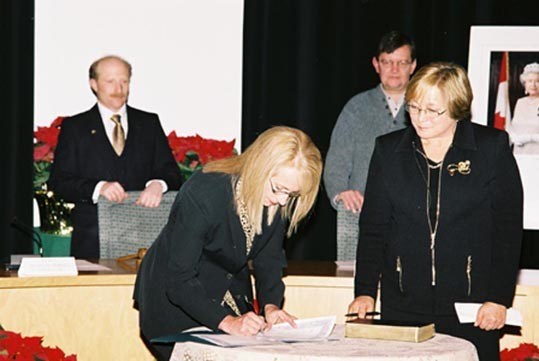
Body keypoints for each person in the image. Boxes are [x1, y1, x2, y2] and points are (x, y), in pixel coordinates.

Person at [348, 62, 523, 361]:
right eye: (414, 107)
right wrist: (364, 291)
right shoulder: (388, 151)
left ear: (456, 108)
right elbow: (374, 227)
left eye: (433, 110)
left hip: (472, 305)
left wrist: (498, 299)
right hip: (402, 302)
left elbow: (508, 232)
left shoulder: (491, 148)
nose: (420, 118)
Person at [133, 126, 323, 360]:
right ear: (258, 167)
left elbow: (269, 261)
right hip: (174, 297)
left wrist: (271, 306)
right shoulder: (205, 192)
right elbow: (179, 280)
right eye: (279, 189)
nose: (282, 201)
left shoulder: (277, 195)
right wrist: (229, 322)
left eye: (291, 194)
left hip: (224, 285)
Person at [49, 55, 182, 259]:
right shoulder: (75, 127)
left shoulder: (149, 123)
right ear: (93, 84)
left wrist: (158, 184)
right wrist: (99, 187)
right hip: (93, 240)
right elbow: (59, 182)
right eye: (110, 81)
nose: (118, 89)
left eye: (124, 81)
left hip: (146, 238)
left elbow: (172, 173)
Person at [324, 30, 417, 213]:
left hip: (412, 215)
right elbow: (336, 161)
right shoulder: (356, 108)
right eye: (387, 62)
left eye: (402, 62)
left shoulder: (426, 108)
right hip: (363, 214)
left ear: (413, 66)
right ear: (376, 64)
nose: (394, 70)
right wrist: (340, 193)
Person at [506, 62, 539, 154]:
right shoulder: (520, 102)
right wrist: (513, 136)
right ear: (525, 84)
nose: (533, 85)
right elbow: (512, 126)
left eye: (537, 81)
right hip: (519, 152)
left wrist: (529, 138)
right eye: (530, 81)